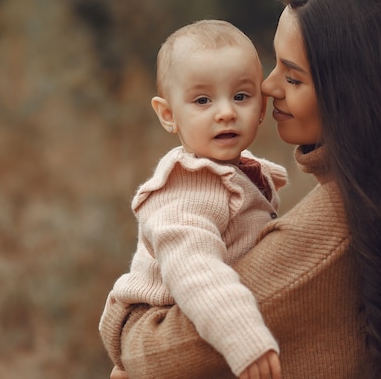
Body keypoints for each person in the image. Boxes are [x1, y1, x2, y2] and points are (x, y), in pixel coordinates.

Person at [102, 0, 381, 379]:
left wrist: (126, 320)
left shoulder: (322, 237)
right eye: (275, 66)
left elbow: (157, 356)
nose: (268, 87)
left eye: (292, 76)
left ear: (350, 96)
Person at [99, 19, 286, 379]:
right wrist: (242, 335)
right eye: (203, 100)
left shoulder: (239, 173)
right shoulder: (188, 187)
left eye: (241, 96)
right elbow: (194, 270)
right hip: (159, 313)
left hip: (198, 317)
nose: (226, 111)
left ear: (262, 107)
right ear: (168, 115)